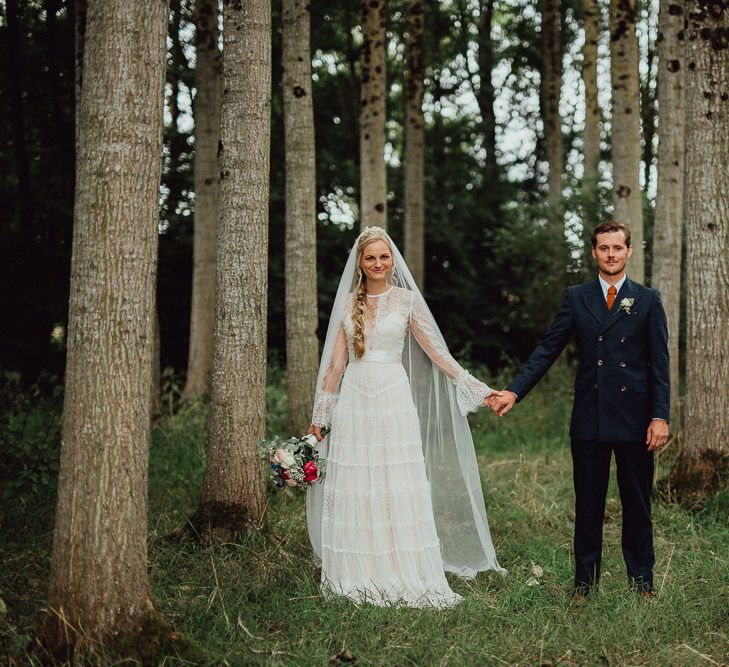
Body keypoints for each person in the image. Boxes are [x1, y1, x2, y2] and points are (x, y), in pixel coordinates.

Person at [306, 226, 505, 608]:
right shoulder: (349, 304)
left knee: (395, 481)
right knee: (358, 481)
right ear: (360, 264)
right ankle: (359, 568)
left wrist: (479, 389)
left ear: (392, 260)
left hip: (393, 401)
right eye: (370, 258)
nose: (378, 263)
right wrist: (319, 420)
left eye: (384, 256)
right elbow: (334, 367)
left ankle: (400, 564)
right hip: (356, 400)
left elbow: (438, 353)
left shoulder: (407, 302)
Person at [488, 221, 669, 600]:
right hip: (590, 416)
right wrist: (514, 391)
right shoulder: (577, 297)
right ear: (594, 253)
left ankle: (643, 582)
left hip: (637, 418)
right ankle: (584, 585)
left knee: (637, 504)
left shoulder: (648, 300)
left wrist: (660, 416)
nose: (611, 254)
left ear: (629, 251)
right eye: (604, 248)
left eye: (617, 248)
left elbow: (660, 364)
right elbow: (547, 349)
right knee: (588, 504)